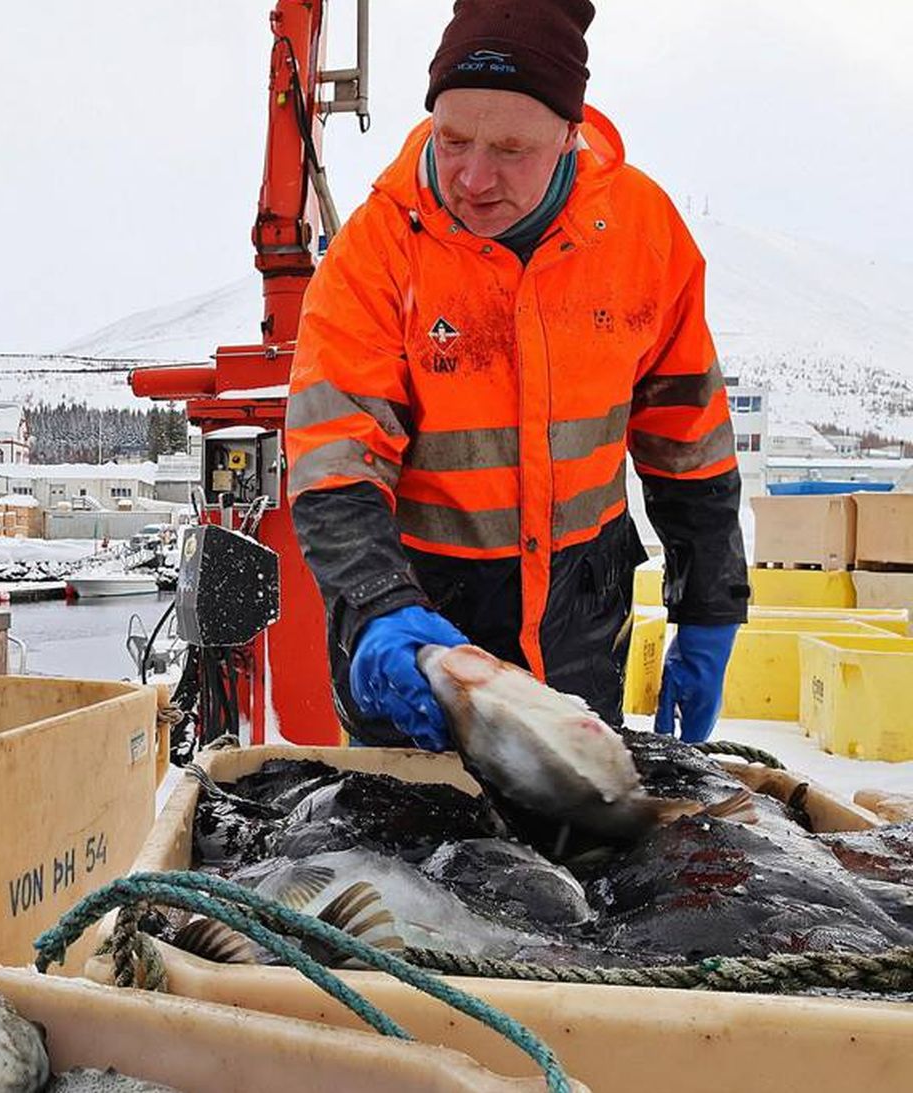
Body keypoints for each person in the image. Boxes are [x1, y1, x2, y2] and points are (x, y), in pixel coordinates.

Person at [285, 0, 746, 752]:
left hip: (579, 639)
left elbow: (689, 439)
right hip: (421, 649)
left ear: (570, 134)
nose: (472, 177)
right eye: (454, 138)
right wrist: (376, 606)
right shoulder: (377, 252)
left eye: (511, 150)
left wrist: (710, 606)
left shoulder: (643, 234)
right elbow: (335, 459)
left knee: (574, 858)